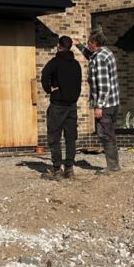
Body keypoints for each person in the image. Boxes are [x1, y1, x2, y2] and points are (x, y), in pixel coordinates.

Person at [77, 30, 121, 173]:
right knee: (109, 133)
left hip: (105, 104)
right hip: (113, 102)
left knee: (105, 134)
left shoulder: (100, 58)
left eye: (89, 42)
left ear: (95, 43)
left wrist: (99, 106)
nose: (88, 44)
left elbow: (104, 85)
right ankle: (114, 165)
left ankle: (113, 166)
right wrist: (79, 46)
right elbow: (91, 56)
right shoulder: (105, 52)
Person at [40, 35, 82, 179]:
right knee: (70, 137)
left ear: (59, 46)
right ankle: (69, 169)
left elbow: (44, 76)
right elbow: (79, 83)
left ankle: (56, 169)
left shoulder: (55, 62)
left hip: (58, 105)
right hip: (72, 105)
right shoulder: (76, 64)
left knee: (54, 137)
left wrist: (49, 89)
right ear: (70, 47)